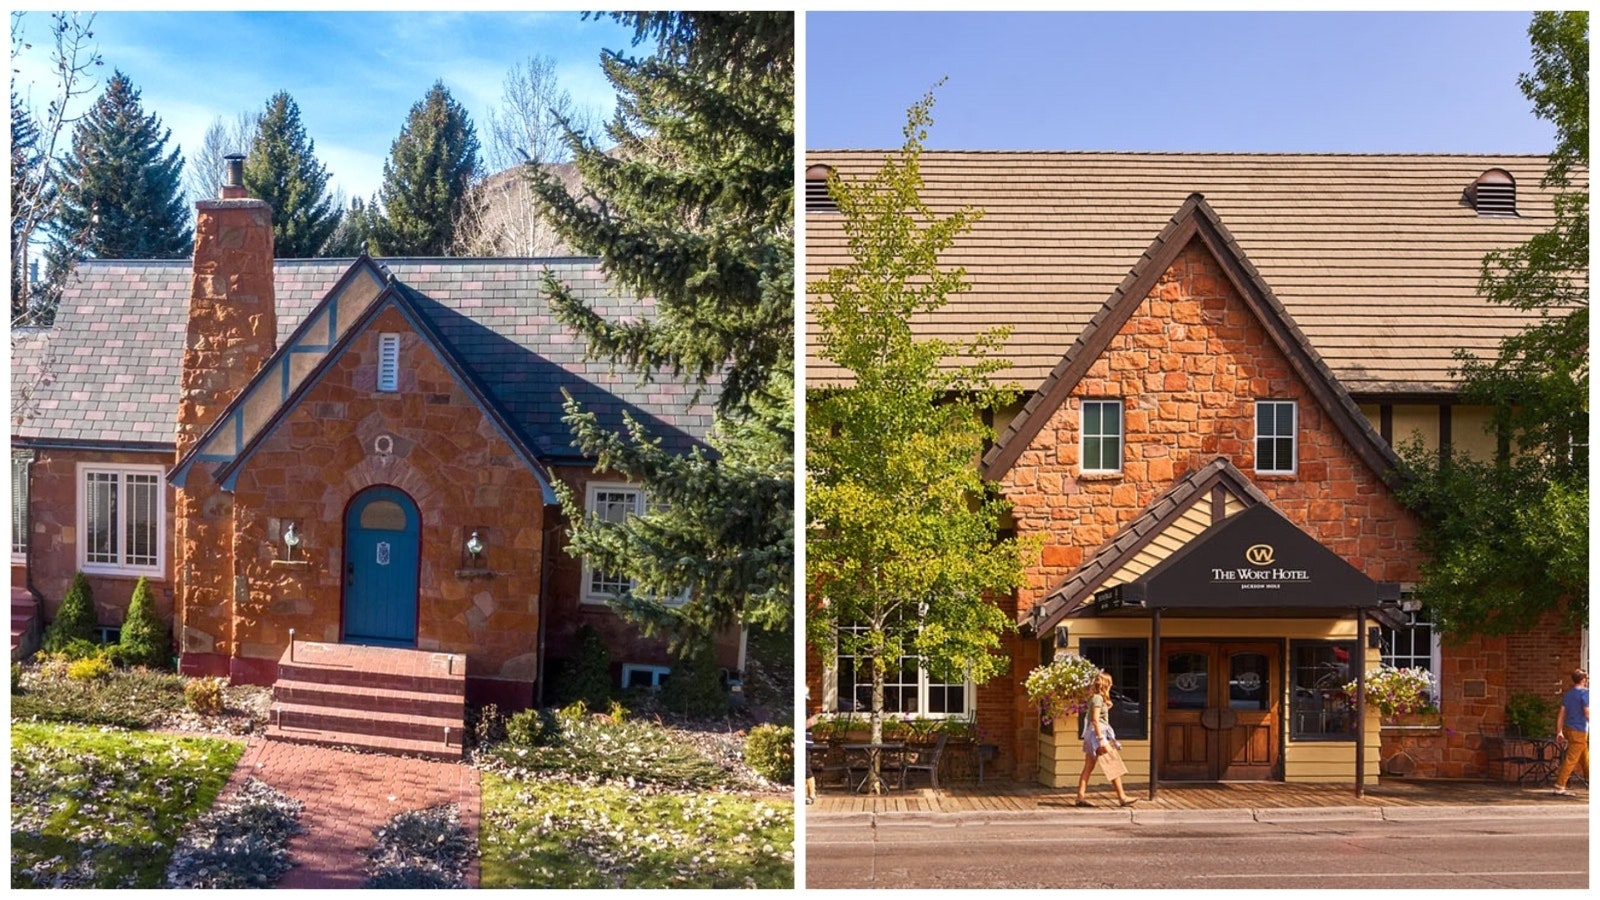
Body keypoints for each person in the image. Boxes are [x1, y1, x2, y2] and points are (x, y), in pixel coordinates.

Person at [1074, 671, 1137, 808]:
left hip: (1092, 733)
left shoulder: (1096, 698)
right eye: (1110, 683)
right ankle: (1122, 797)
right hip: (1097, 734)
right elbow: (1095, 720)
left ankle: (1080, 797)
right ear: (1106, 684)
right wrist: (1101, 739)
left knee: (1088, 767)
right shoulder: (1098, 699)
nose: (1111, 685)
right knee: (1112, 763)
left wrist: (1106, 706)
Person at [1553, 668, 1588, 796]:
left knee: (1585, 758)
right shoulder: (1585, 693)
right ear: (1583, 680)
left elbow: (1561, 714)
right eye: (1587, 678)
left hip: (1569, 729)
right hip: (1579, 730)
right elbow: (1588, 713)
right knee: (1571, 759)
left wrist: (1559, 731)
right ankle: (1560, 786)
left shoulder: (1568, 694)